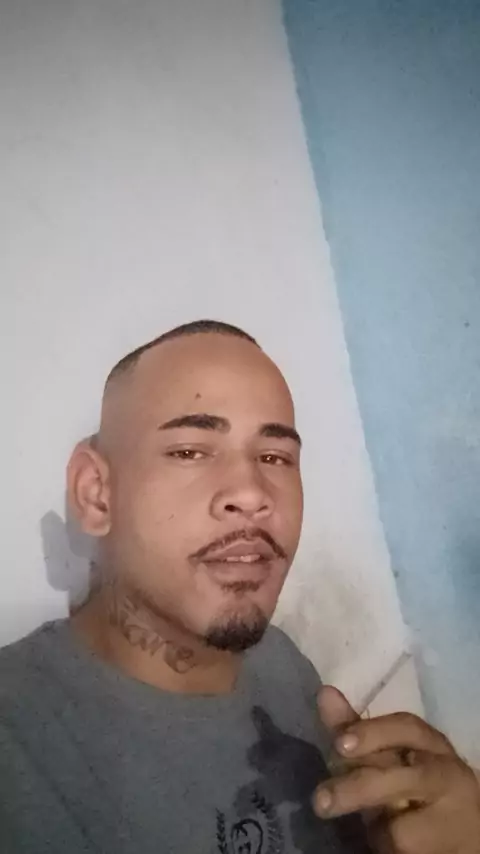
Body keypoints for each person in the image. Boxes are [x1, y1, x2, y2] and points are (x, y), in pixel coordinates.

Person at [0, 320, 478, 854]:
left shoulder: (280, 661)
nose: (252, 493)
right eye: (191, 451)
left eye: (274, 457)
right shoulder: (20, 743)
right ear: (97, 494)